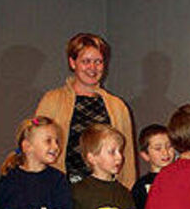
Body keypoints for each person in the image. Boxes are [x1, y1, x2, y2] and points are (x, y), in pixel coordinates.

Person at [35, 33, 136, 190]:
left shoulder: (118, 107)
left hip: (105, 191)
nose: (93, 68)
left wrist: (128, 191)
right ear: (72, 62)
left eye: (98, 62)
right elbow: (37, 148)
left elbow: (127, 156)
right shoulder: (52, 100)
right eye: (86, 61)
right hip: (60, 189)